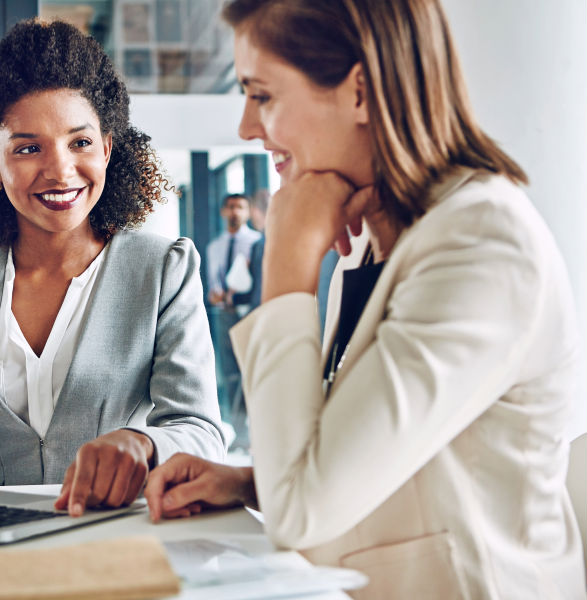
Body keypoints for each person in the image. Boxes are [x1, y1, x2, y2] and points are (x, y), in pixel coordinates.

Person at [144, 0, 585, 598]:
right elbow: (360, 455)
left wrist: (286, 269)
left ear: (360, 91)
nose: (248, 127)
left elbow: (303, 512)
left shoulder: (482, 244)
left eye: (262, 95)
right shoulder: (366, 238)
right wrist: (252, 481)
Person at [0, 19, 225, 517]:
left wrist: (143, 444)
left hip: (120, 539)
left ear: (106, 147)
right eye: (28, 148)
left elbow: (201, 429)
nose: (60, 170)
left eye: (79, 143)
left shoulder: (161, 270)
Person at [206, 193, 261, 423]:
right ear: (222, 212)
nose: (235, 212)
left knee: (253, 368)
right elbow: (212, 286)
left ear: (248, 212)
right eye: (230, 207)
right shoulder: (214, 247)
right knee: (229, 371)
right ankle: (238, 427)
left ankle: (256, 422)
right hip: (224, 314)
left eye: (240, 207)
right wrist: (215, 295)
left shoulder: (258, 242)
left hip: (250, 312)